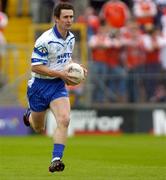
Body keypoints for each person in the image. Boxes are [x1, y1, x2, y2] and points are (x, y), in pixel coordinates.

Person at [23, 3, 87, 173]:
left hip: (57, 85)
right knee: (38, 128)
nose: (69, 20)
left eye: (71, 17)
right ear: (56, 18)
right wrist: (60, 74)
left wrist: (76, 67)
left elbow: (65, 59)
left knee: (64, 119)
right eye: (65, 17)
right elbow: (35, 67)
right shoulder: (45, 39)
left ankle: (56, 159)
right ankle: (29, 115)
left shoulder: (71, 38)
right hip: (39, 86)